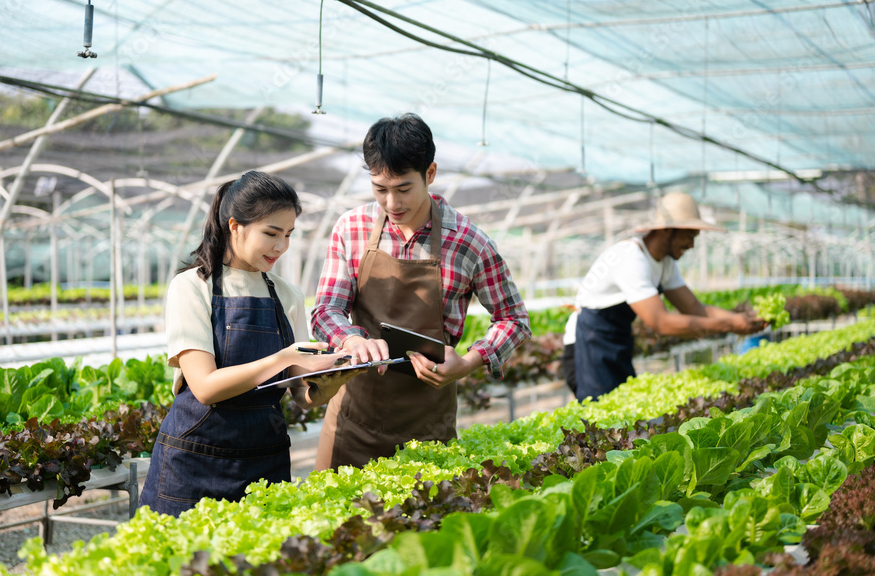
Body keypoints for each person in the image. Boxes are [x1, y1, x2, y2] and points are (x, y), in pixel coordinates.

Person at [311, 113, 531, 471]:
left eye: (403, 189)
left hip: (428, 427)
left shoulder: (468, 242)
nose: (392, 204)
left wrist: (470, 362)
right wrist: (351, 340)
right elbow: (326, 310)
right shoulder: (351, 228)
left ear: (430, 174)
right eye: (379, 189)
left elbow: (513, 318)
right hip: (353, 422)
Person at [140, 171, 357, 516]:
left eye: (288, 235)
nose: (281, 246)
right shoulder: (192, 287)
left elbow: (302, 396)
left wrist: (332, 383)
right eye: (271, 233)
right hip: (194, 460)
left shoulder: (287, 295)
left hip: (264, 461)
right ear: (235, 226)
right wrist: (282, 357)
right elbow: (205, 387)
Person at [562, 192, 766, 401]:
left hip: (615, 343)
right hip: (585, 347)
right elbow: (661, 323)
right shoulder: (631, 257)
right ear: (667, 230)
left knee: (623, 416)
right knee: (601, 420)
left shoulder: (665, 263)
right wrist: (729, 324)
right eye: (689, 236)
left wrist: (742, 319)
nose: (692, 245)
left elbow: (695, 308)